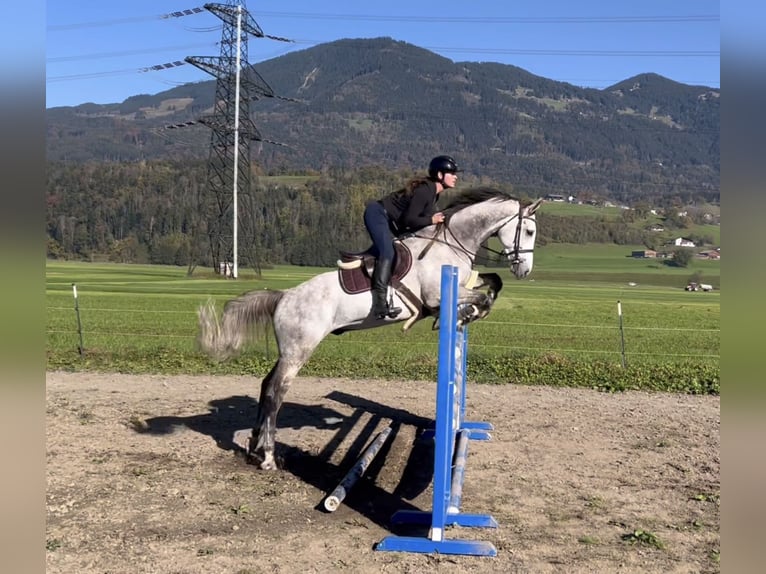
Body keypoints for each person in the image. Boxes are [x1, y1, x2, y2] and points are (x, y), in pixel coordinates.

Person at [363, 155, 462, 319]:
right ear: (439, 175)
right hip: (378, 214)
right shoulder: (425, 191)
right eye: (451, 173)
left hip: (392, 221)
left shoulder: (433, 193)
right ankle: (379, 305)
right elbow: (410, 220)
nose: (456, 176)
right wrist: (432, 219)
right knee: (387, 253)